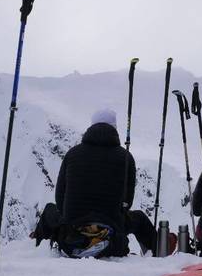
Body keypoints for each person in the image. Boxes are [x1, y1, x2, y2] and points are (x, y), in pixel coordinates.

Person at [53, 109, 158, 258]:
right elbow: (127, 202)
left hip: (73, 233)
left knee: (51, 212)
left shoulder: (72, 154)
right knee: (139, 218)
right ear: (114, 128)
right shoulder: (125, 157)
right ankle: (158, 254)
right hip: (112, 230)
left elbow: (59, 198)